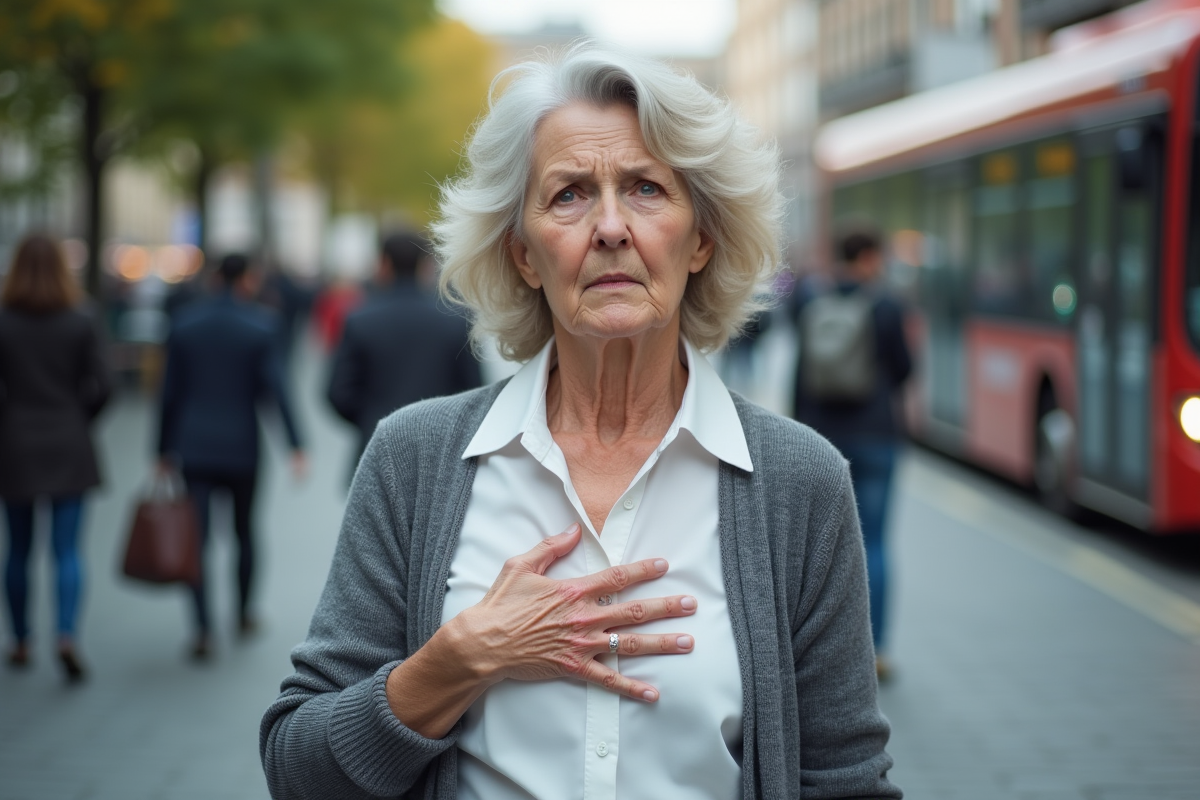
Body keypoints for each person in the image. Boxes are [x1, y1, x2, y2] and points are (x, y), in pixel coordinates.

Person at [261, 44, 900, 800]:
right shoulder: (414, 458)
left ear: (701, 239)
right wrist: (462, 656)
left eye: (645, 189)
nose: (609, 227)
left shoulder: (800, 481)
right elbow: (298, 768)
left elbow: (845, 782)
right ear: (524, 255)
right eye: (567, 194)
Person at [157, 253, 306, 660]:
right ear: (247, 278)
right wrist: (295, 444)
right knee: (245, 532)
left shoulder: (185, 325)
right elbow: (276, 390)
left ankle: (202, 628)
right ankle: (242, 613)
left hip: (194, 446)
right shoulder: (260, 326)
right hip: (242, 446)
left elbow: (169, 393)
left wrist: (161, 449)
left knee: (197, 537)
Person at [791, 227, 913, 682]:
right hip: (877, 434)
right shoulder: (886, 306)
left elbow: (800, 371)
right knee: (875, 543)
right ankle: (876, 649)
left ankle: (827, 653)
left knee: (820, 548)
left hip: (823, 437)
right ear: (869, 257)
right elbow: (904, 371)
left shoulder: (808, 301)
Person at [0, 233, 111, 681]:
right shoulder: (81, 318)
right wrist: (79, 418)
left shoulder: (3, 320)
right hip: (69, 440)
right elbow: (104, 386)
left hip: (15, 443)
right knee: (67, 550)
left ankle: (21, 639)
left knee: (18, 549)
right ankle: (65, 635)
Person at [327, 231, 482, 465]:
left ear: (383, 264)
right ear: (426, 266)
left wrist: (370, 419)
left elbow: (338, 393)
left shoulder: (359, 320)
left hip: (376, 447)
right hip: (438, 451)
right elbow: (474, 391)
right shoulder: (456, 320)